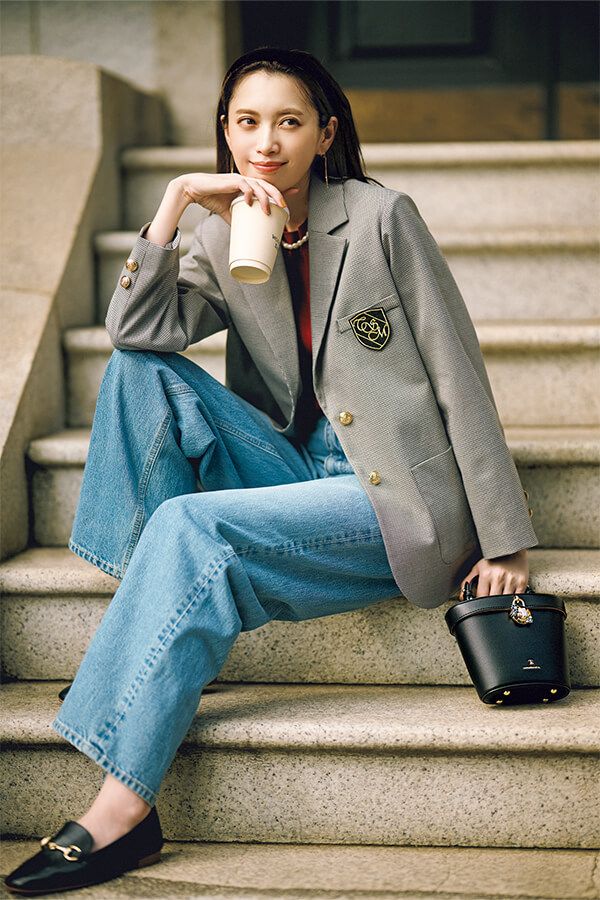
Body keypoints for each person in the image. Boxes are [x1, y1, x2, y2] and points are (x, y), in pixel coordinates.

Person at [5, 46, 537, 895]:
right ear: (225, 131)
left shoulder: (380, 217)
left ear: (324, 134)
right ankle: (147, 626)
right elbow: (137, 332)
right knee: (136, 373)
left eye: (289, 122)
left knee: (189, 524)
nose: (266, 142)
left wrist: (505, 539)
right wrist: (177, 205)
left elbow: (457, 371)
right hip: (288, 467)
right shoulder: (223, 232)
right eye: (247, 122)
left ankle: (122, 812)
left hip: (390, 493)